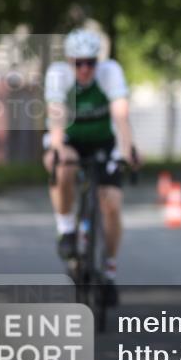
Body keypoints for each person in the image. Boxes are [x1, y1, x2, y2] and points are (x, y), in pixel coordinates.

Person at [43, 29, 138, 305]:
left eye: (90, 62)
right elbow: (57, 120)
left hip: (103, 142)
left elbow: (121, 116)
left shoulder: (110, 72)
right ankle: (67, 229)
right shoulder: (58, 75)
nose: (85, 69)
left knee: (112, 204)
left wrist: (127, 150)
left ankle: (108, 271)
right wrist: (56, 150)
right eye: (78, 63)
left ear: (98, 61)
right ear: (69, 61)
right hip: (70, 139)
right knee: (63, 166)